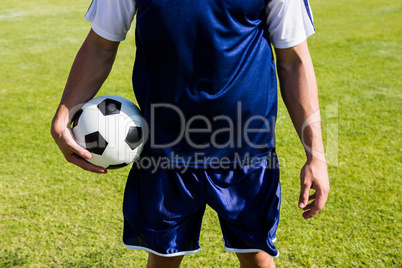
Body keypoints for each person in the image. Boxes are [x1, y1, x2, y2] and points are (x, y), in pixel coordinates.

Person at [51, 0, 330, 267]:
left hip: (246, 149)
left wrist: (315, 154)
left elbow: (294, 61)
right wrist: (64, 115)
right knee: (162, 258)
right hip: (165, 150)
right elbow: (101, 44)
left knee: (256, 256)